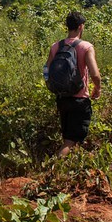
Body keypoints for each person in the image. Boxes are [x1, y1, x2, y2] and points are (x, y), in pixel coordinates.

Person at [45, 11, 101, 156]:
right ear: (81, 26)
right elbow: (95, 73)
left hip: (62, 98)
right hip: (79, 99)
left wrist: (51, 86)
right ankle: (55, 169)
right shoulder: (86, 47)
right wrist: (97, 88)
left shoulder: (56, 46)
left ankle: (67, 170)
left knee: (68, 136)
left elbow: (47, 69)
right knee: (70, 141)